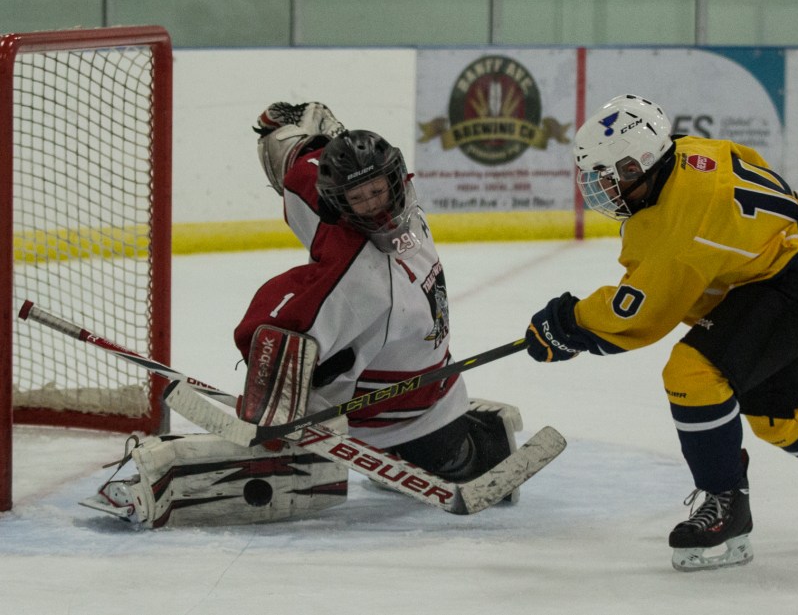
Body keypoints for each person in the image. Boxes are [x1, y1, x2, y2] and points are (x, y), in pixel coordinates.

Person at [81, 103, 523, 528]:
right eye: (360, 197)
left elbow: (303, 169)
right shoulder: (357, 265)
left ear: (396, 178)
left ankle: (462, 451)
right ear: (338, 202)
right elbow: (280, 318)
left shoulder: (354, 241)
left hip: (402, 421)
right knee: (324, 357)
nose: (376, 205)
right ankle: (466, 448)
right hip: (431, 388)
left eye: (379, 189)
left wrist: (271, 411)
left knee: (440, 454)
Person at [523, 94, 798, 571]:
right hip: (784, 262)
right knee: (776, 416)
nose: (604, 188)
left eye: (614, 176)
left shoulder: (680, 221)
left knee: (693, 372)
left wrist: (568, 324)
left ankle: (725, 501)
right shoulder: (686, 153)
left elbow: (638, 315)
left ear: (642, 163)